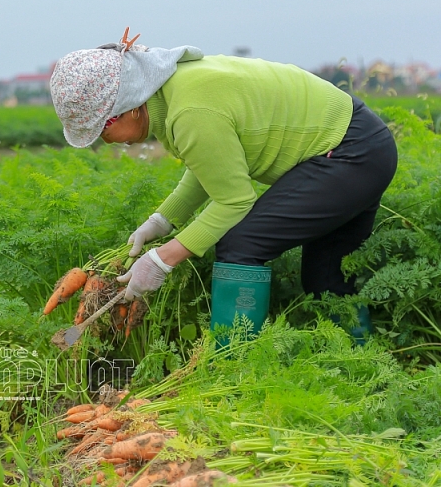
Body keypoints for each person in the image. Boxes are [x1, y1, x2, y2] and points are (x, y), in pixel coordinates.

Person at [49, 29, 398, 340]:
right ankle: (359, 364)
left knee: (241, 244)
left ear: (127, 108)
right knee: (324, 276)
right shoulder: (172, 94)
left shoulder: (190, 111)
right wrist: (163, 220)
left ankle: (235, 362)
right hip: (360, 143)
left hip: (348, 154)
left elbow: (234, 200)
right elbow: (213, 166)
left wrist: (163, 259)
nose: (105, 141)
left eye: (102, 129)